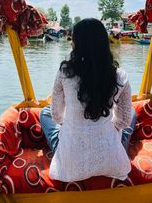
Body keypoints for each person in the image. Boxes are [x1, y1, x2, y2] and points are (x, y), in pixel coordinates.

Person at [40, 18, 136, 182]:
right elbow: (124, 121)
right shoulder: (120, 75)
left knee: (45, 112)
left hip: (71, 163)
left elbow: (56, 116)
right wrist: (107, 126)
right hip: (111, 158)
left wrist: (73, 124)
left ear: (77, 44)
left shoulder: (65, 72)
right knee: (132, 113)